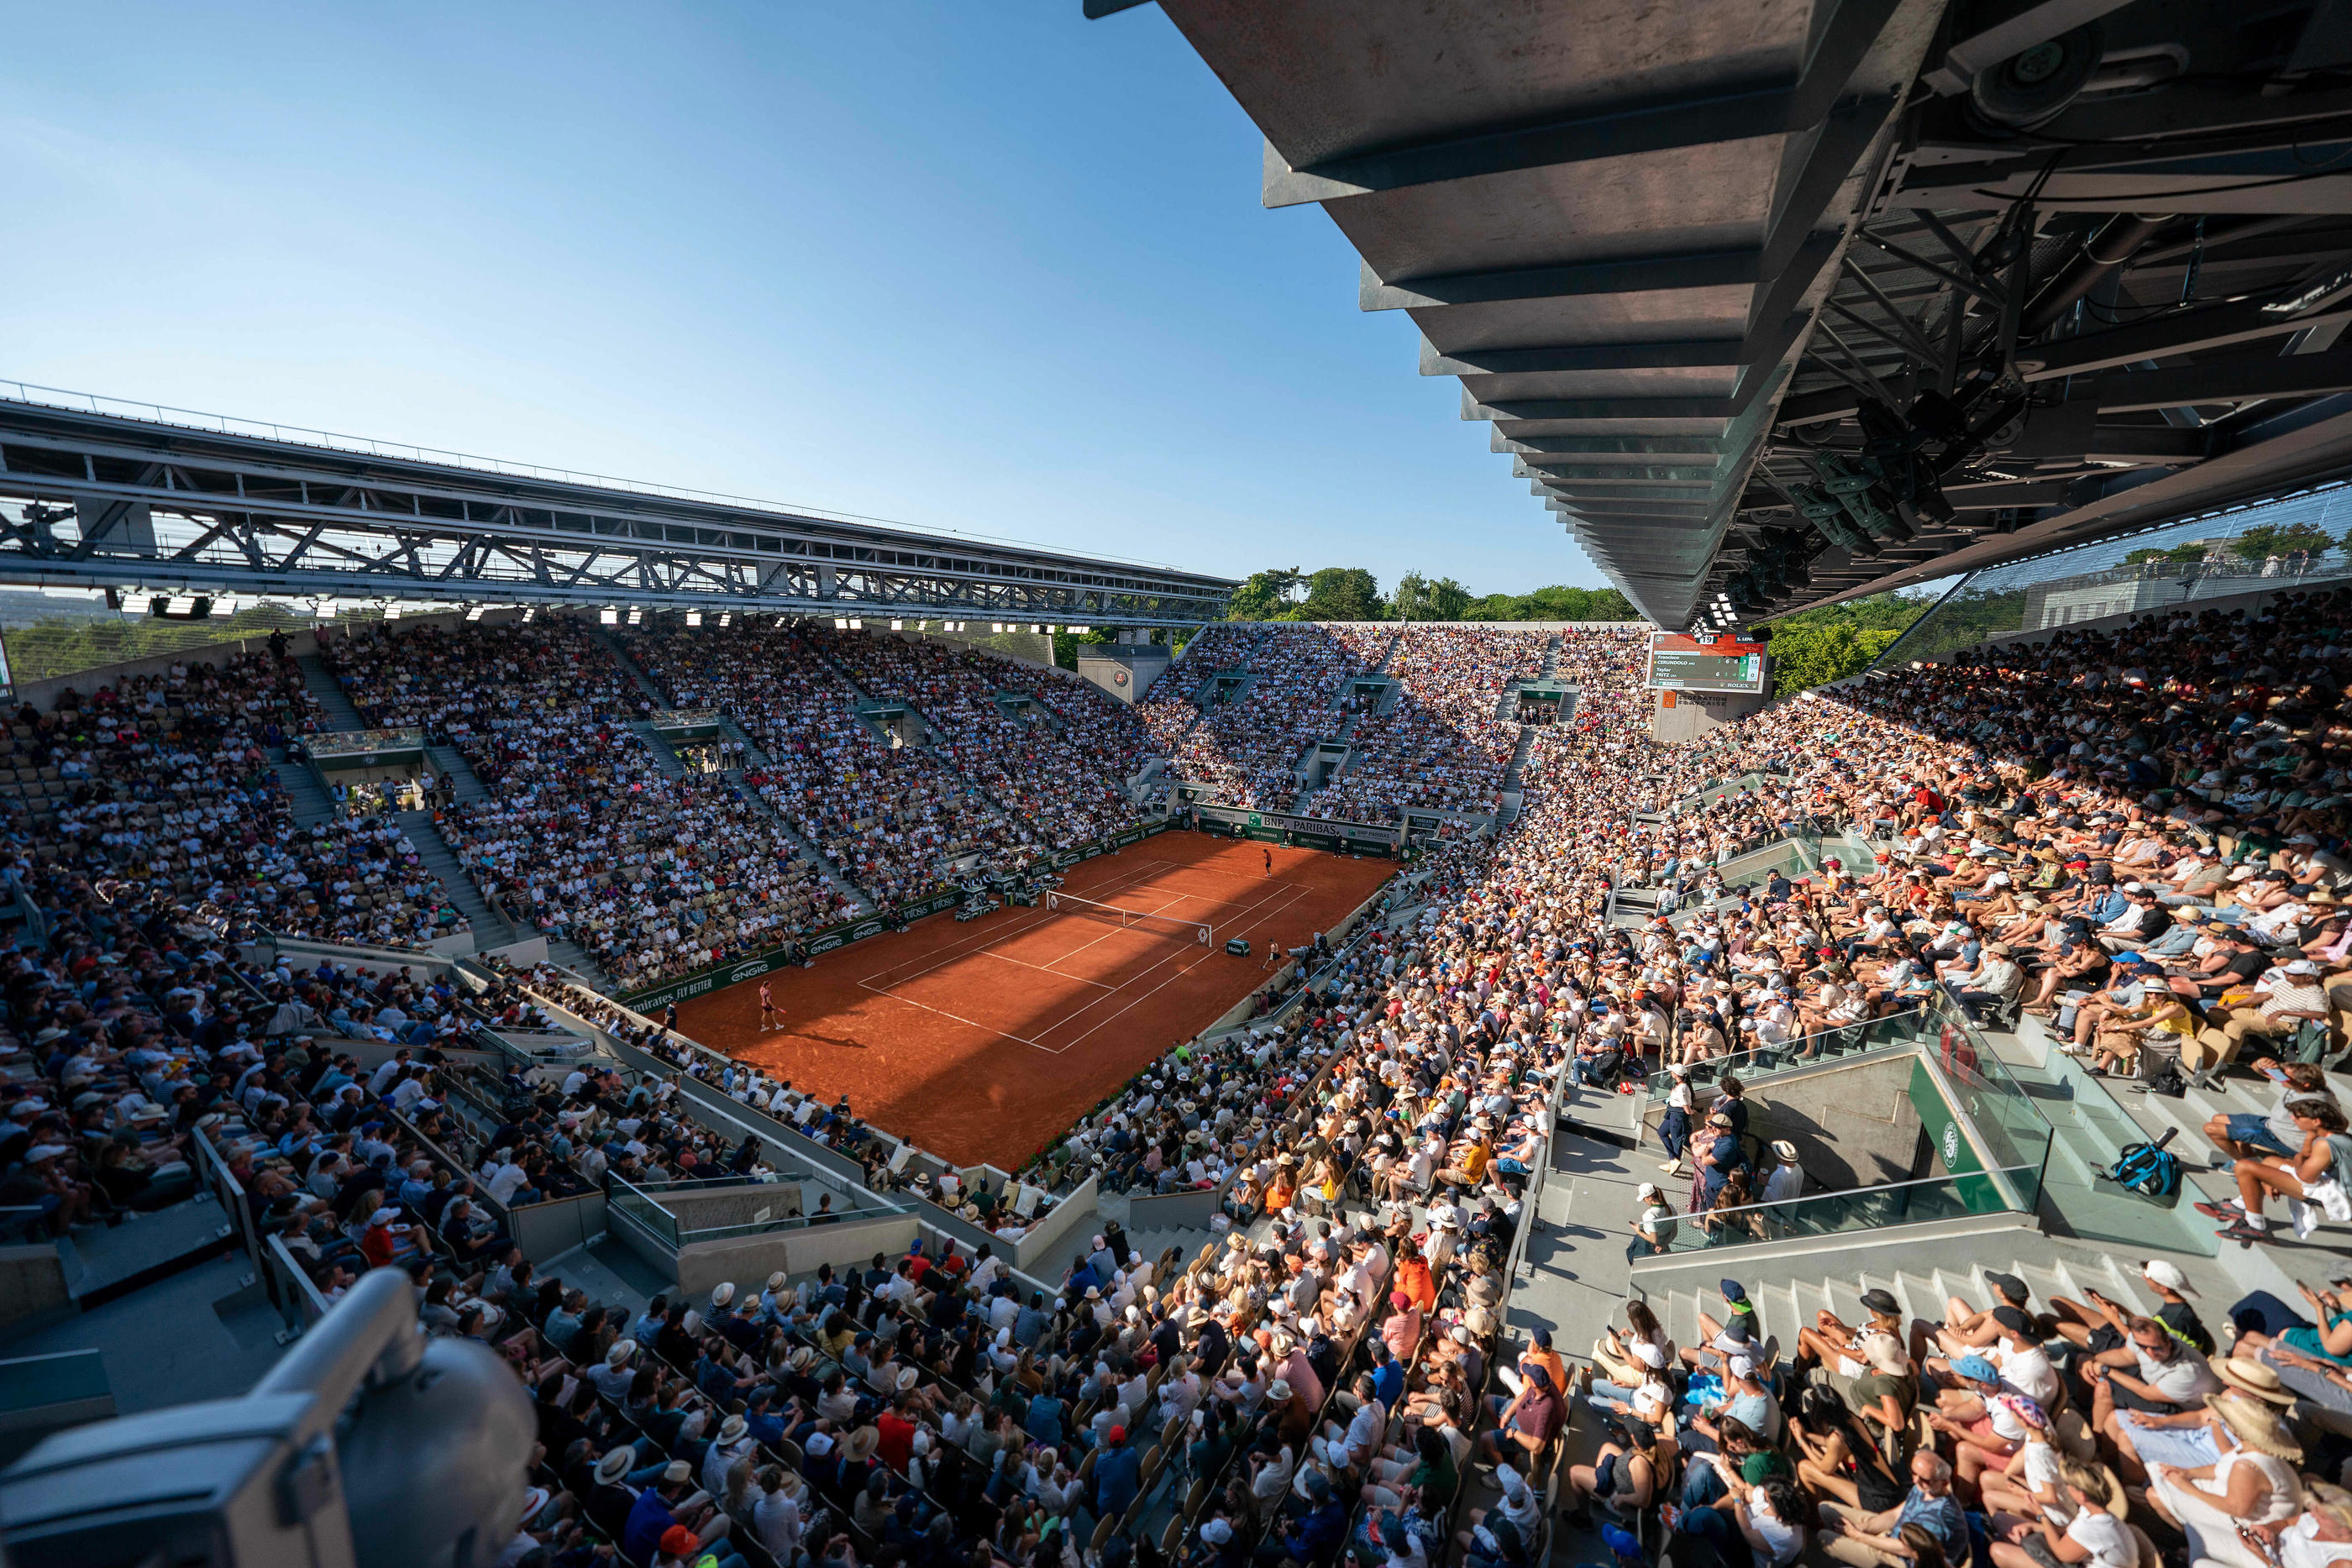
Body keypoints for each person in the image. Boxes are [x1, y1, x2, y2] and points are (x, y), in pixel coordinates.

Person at [1819, 1452, 1973, 1568]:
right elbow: (1895, 1514)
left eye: (1923, 1479)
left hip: (1902, 1560)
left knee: (1824, 1537)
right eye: (1914, 1473)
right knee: (1826, 1509)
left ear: (1944, 1483)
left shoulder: (1939, 1517)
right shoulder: (1924, 1489)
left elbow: (1908, 1550)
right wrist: (1862, 1528)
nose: (1915, 1481)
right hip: (1894, 1534)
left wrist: (1858, 1536)